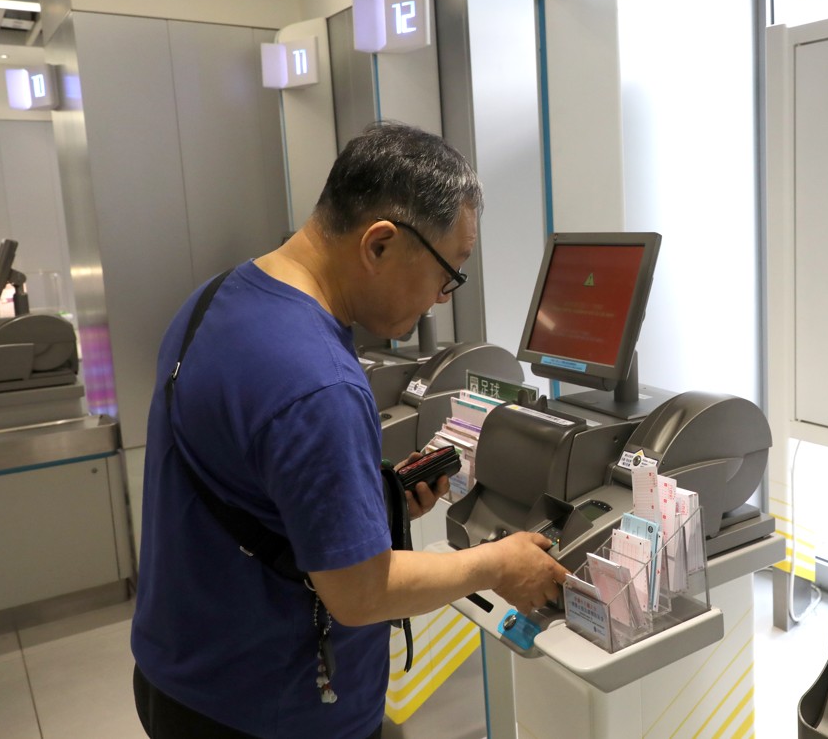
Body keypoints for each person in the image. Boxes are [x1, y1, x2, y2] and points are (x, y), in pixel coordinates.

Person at [130, 123, 568, 738]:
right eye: (450, 271)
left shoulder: (214, 297)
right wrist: (497, 563)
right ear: (380, 244)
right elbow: (361, 594)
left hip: (179, 675)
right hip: (268, 709)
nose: (444, 298)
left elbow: (245, 478)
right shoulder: (321, 385)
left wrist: (368, 497)